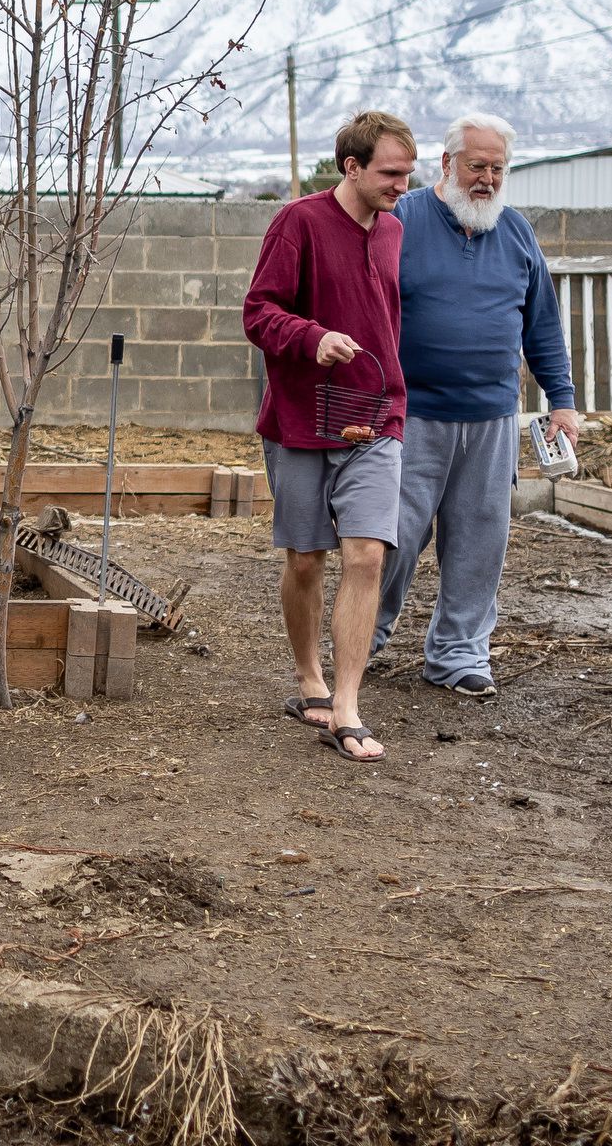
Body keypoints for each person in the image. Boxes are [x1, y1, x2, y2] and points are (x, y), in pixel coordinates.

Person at [372, 111, 577, 697]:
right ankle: (364, 638)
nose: (487, 179)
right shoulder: (401, 220)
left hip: (491, 418)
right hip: (411, 414)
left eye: (497, 169)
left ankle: (459, 654)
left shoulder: (516, 233)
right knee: (393, 535)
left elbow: (543, 327)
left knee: (479, 541)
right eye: (477, 166)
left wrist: (560, 401)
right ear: (447, 164)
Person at [242, 109, 414, 764]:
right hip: (302, 416)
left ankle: (346, 705)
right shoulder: (300, 223)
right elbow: (258, 311)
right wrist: (312, 338)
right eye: (391, 174)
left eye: (408, 174)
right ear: (352, 166)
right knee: (307, 558)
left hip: (377, 415)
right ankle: (309, 676)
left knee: (368, 554)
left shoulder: (395, 231)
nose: (402, 186)